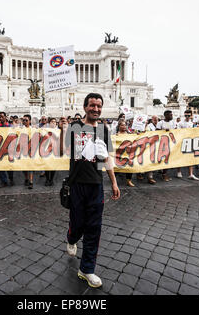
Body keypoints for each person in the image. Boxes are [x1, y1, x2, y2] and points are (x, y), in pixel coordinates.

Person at [64, 93, 120, 288]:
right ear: (85, 107)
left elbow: (107, 158)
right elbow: (69, 152)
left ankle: (86, 269)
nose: (96, 109)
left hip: (96, 183)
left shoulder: (104, 129)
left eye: (99, 106)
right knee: (77, 223)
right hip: (77, 183)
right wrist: (86, 146)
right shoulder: (74, 127)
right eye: (92, 105)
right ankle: (71, 238)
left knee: (94, 228)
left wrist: (113, 182)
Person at [176, 110, 199, 181]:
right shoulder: (180, 123)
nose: (187, 117)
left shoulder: (192, 123)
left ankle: (191, 174)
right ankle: (179, 171)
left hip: (190, 141)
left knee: (190, 158)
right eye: (185, 115)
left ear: (191, 116)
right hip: (182, 141)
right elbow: (178, 132)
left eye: (188, 115)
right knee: (180, 157)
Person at [156, 110, 176, 182]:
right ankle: (161, 172)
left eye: (172, 115)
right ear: (166, 115)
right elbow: (156, 131)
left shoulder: (173, 123)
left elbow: (176, 131)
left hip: (170, 143)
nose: (171, 116)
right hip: (162, 143)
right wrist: (164, 131)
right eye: (170, 115)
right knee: (161, 158)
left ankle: (164, 173)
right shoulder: (160, 123)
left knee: (167, 159)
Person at [0, 112, 14, 188]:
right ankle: (4, 181)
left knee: (9, 166)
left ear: (5, 117)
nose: (0, 118)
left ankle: (11, 179)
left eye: (2, 117)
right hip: (0, 149)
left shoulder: (10, 127)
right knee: (0, 166)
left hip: (9, 149)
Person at [116, 119, 135, 187]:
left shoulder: (129, 134)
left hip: (127, 154)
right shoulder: (116, 135)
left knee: (129, 167)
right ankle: (114, 181)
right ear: (119, 126)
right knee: (116, 168)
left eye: (125, 125)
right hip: (119, 154)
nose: (124, 126)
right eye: (122, 125)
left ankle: (129, 180)